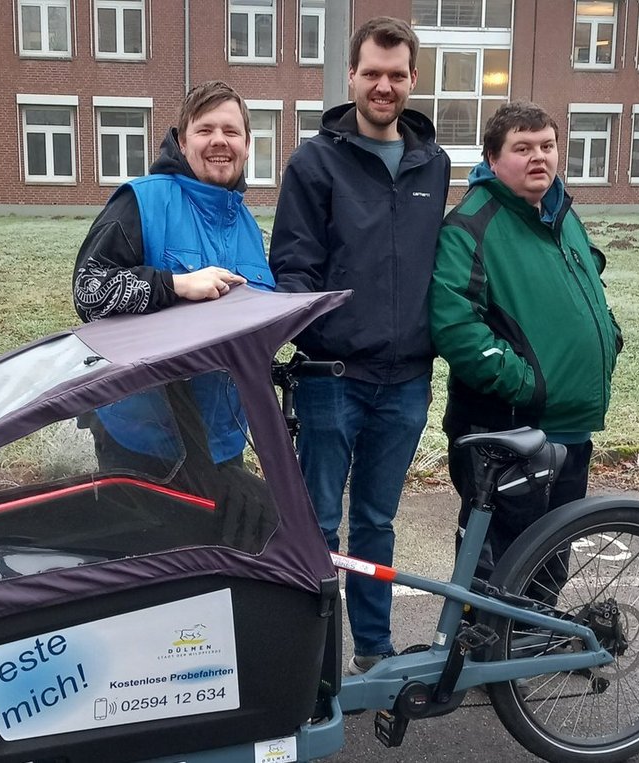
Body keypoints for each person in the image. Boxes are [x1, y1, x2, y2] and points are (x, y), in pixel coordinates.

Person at [269, 16, 451, 674]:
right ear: (351, 76)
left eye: (396, 74)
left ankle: (373, 652)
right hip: (332, 378)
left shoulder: (435, 162)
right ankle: (310, 664)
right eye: (371, 72)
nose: (383, 85)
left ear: (412, 78)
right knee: (317, 526)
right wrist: (294, 334)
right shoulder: (314, 161)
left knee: (376, 522)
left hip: (405, 383)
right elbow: (292, 264)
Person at [430, 101, 624, 586]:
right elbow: (455, 325)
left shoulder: (560, 212)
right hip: (509, 428)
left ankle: (534, 648)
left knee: (551, 552)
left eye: (546, 145)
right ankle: (481, 651)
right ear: (493, 159)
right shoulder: (471, 224)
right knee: (498, 558)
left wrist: (610, 337)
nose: (538, 157)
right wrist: (528, 385)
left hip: (571, 426)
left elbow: (590, 290)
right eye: (522, 148)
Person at [72, 80, 274, 481]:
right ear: (182, 142)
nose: (220, 141)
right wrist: (175, 285)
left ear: (247, 145)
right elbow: (89, 290)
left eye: (231, 132)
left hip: (223, 441)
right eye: (206, 130)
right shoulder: (142, 201)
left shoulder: (248, 226)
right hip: (140, 443)